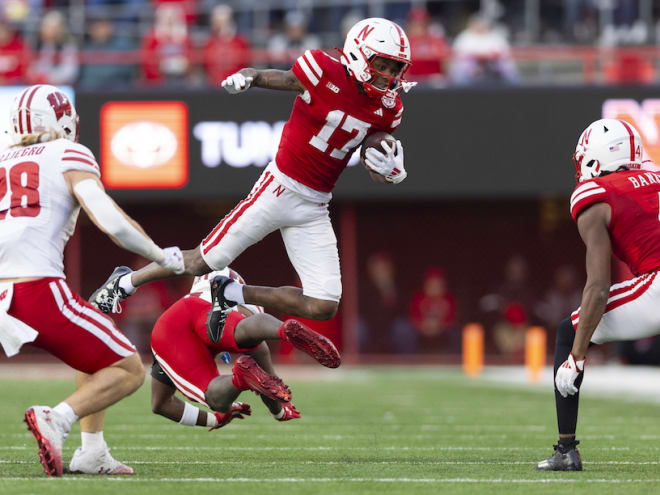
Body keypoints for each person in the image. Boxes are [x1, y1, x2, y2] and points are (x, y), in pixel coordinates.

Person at [91, 17, 415, 331]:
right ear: (358, 54)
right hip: (279, 188)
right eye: (382, 64)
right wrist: (250, 75)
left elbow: (372, 160)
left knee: (323, 303)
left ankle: (229, 293)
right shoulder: (322, 68)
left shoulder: (390, 109)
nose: (387, 75)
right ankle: (126, 281)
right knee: (202, 261)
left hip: (315, 205)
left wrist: (389, 171)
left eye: (394, 68)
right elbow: (287, 79)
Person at [0, 84, 185, 477]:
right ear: (63, 121)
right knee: (129, 369)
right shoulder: (67, 152)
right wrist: (157, 254)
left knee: (95, 352)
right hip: (35, 287)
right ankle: (58, 419)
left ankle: (93, 452)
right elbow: (112, 222)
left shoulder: (3, 159)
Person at [537, 118, 660, 471]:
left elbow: (599, 286)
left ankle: (566, 449)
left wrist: (577, 357)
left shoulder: (597, 195)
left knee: (569, 330)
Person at [150, 267, 341, 429]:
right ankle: (281, 330)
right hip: (237, 319)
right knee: (246, 332)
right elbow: (267, 370)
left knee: (215, 399)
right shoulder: (243, 299)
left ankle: (240, 380)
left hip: (175, 321)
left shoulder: (198, 294)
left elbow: (160, 404)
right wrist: (279, 410)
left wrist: (215, 418)